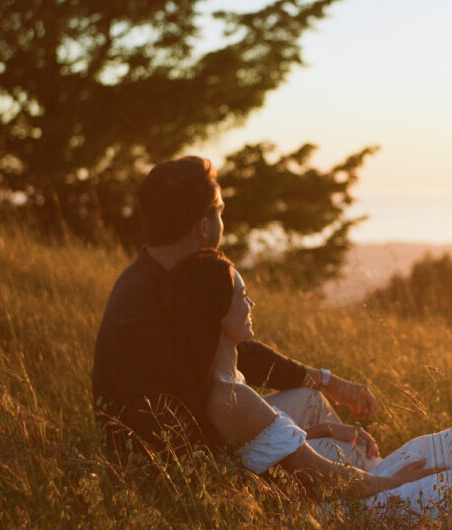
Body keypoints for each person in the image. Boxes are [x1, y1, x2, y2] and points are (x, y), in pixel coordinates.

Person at [168, 248, 452, 527]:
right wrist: (399, 480)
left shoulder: (229, 382)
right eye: (241, 296)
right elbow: (325, 480)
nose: (251, 304)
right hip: (327, 517)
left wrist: (328, 430)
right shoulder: (231, 397)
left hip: (339, 496)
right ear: (217, 310)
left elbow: (272, 454)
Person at [92, 156, 378, 459]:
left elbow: (238, 354)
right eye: (219, 212)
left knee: (310, 401)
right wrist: (292, 440)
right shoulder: (141, 307)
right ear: (203, 227)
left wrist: (329, 382)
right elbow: (170, 430)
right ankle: (372, 494)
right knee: (343, 450)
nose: (221, 223)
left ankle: (372, 480)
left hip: (213, 432)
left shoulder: (174, 277)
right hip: (178, 464)